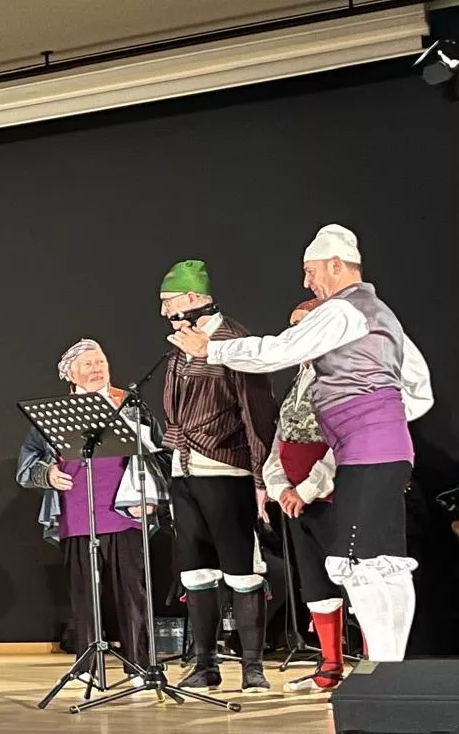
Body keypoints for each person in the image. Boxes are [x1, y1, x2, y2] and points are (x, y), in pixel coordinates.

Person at [169, 225, 432, 663]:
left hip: (369, 451)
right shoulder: (380, 313)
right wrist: (380, 417)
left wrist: (210, 351)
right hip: (376, 449)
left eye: (310, 272)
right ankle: (390, 666)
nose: (307, 282)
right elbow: (418, 387)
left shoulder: (344, 310)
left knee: (364, 562)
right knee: (379, 562)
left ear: (335, 265)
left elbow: (279, 350)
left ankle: (386, 668)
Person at [157, 259, 279, 692]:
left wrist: (261, 478)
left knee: (242, 569)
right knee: (196, 571)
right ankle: (205, 664)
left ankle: (252, 667)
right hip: (184, 469)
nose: (164, 311)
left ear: (193, 299)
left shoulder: (235, 341)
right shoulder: (178, 347)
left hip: (227, 469)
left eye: (168, 301)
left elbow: (256, 412)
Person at [16, 340, 163, 685]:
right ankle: (86, 665)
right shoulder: (55, 412)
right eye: (87, 364)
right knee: (84, 593)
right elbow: (26, 468)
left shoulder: (131, 405)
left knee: (132, 591)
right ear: (69, 374)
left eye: (100, 362)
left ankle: (138, 665)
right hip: (77, 512)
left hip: (127, 511)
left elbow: (160, 454)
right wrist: (48, 474)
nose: (96, 369)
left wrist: (152, 497)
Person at [259, 300, 345, 692]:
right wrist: (280, 487)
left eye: (304, 326)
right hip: (296, 499)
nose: (296, 334)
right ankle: (330, 667)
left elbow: (344, 440)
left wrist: (309, 488)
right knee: (314, 581)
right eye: (292, 326)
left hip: (330, 495)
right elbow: (282, 439)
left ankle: (375, 671)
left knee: (353, 580)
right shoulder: (300, 376)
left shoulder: (343, 374)